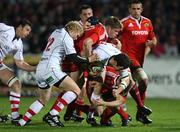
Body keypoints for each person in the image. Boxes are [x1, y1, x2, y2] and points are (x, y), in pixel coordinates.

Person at [17, 21, 98, 127]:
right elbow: (73, 58)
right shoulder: (66, 37)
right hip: (51, 69)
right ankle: (52, 114)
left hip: (41, 69)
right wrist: (89, 59)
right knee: (75, 90)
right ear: (73, 29)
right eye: (77, 34)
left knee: (43, 100)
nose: (77, 38)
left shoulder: (56, 32)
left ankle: (22, 122)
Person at [119, 0, 157, 123]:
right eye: (133, 9)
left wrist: (152, 43)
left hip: (139, 59)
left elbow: (153, 38)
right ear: (130, 10)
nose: (136, 11)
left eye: (138, 8)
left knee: (128, 87)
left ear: (142, 9)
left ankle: (123, 116)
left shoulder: (147, 22)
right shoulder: (124, 22)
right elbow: (112, 34)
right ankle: (140, 110)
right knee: (144, 80)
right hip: (127, 59)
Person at [0, 19, 36, 124]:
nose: (28, 33)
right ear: (20, 27)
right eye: (27, 30)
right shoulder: (5, 29)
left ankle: (15, 117)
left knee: (16, 84)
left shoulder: (19, 44)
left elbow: (20, 63)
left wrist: (36, 68)